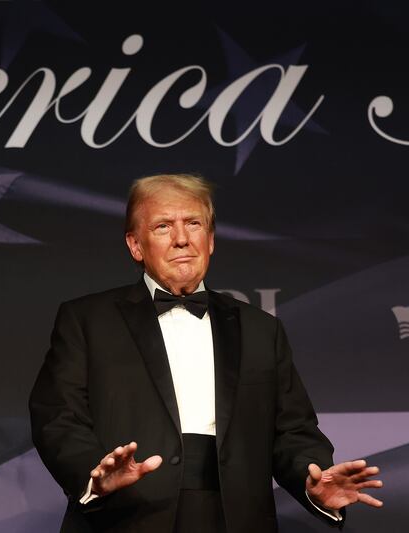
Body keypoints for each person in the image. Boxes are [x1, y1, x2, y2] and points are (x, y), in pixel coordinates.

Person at [29, 174, 383, 533]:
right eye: (163, 226)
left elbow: (293, 431)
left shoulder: (261, 329)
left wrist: (316, 483)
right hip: (125, 517)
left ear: (210, 240)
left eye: (193, 224)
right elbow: (57, 417)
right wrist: (95, 475)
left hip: (236, 519)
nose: (181, 239)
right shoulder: (87, 319)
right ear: (136, 245)